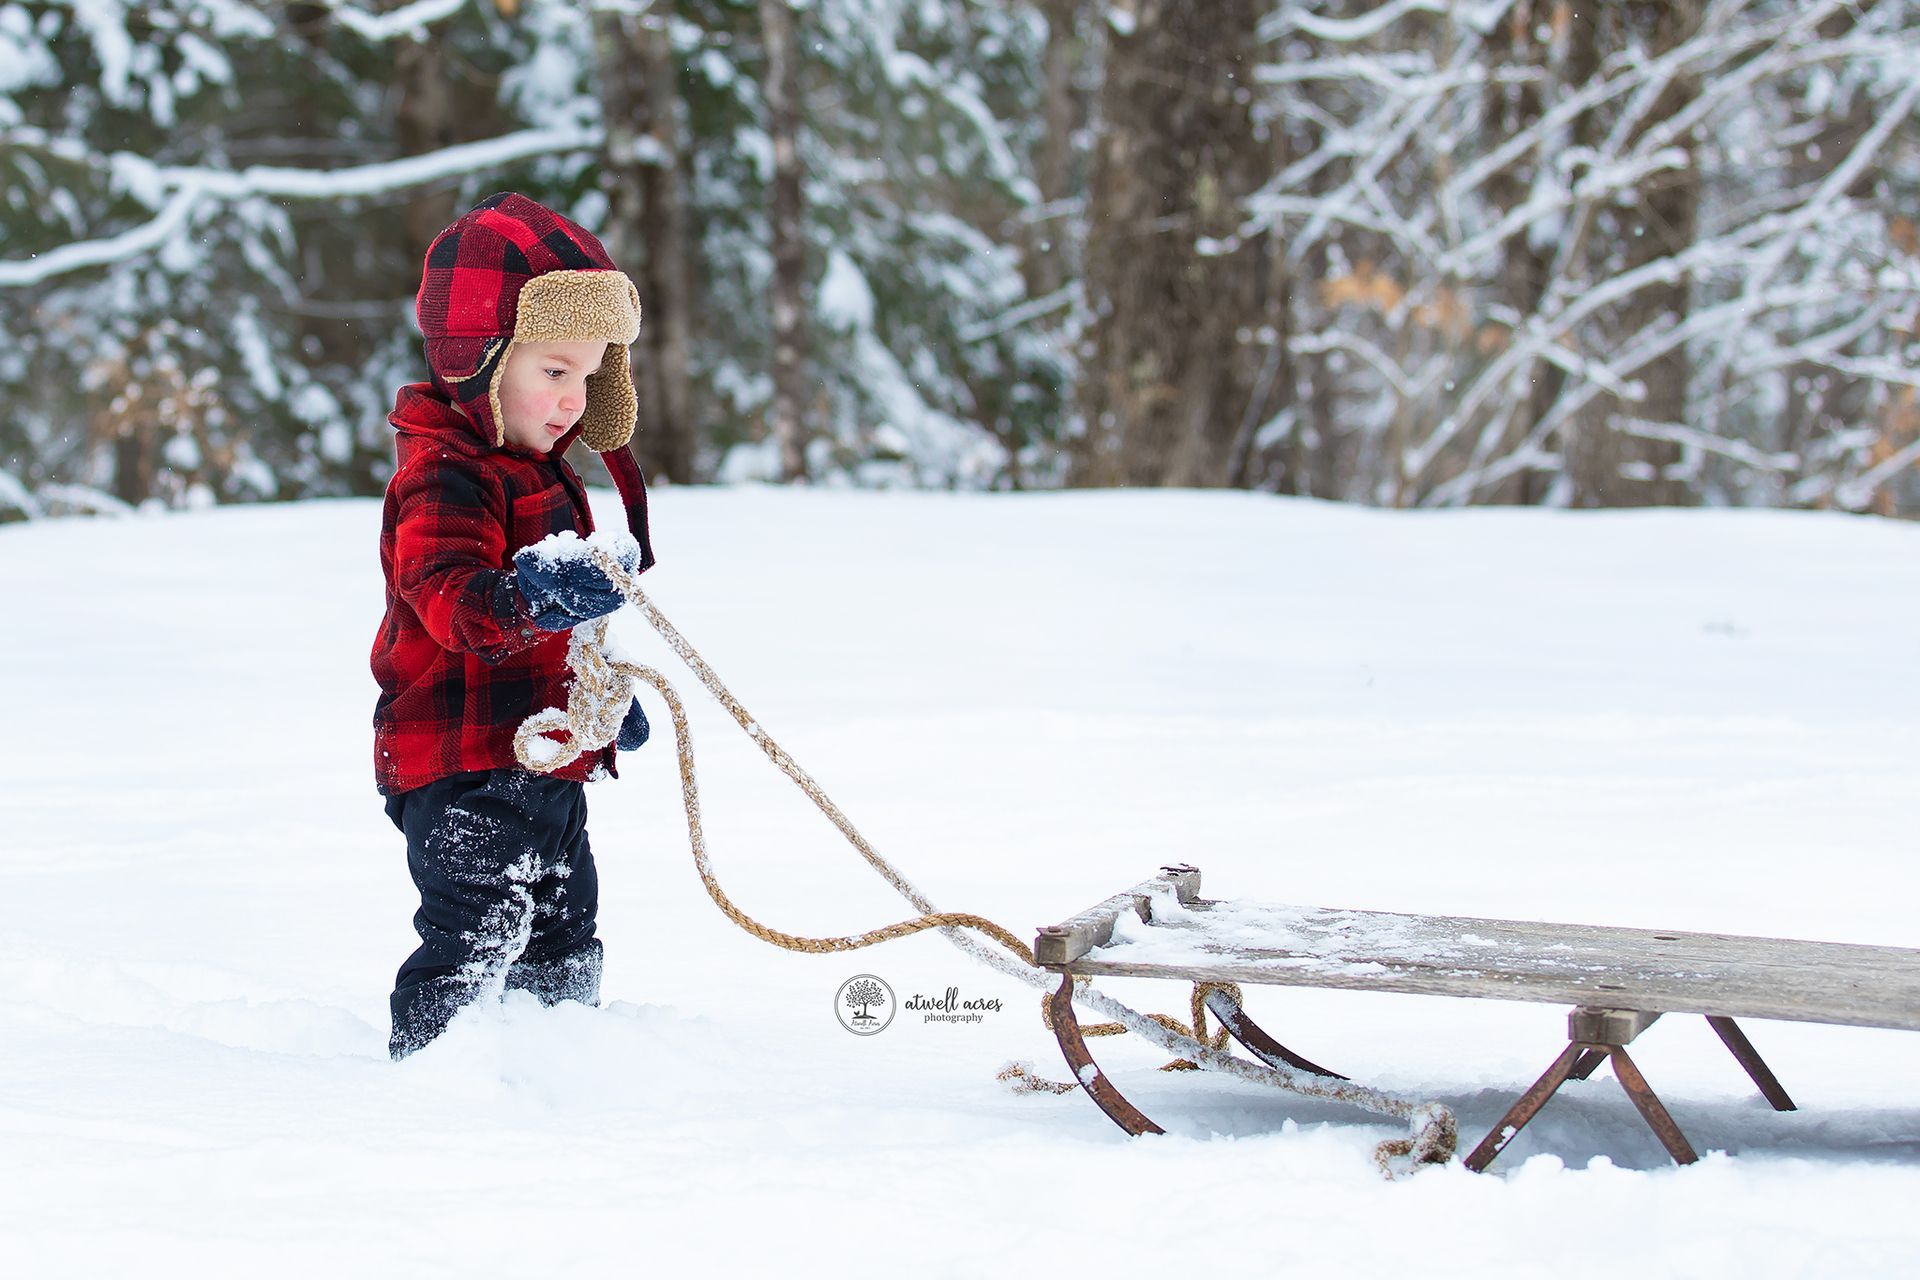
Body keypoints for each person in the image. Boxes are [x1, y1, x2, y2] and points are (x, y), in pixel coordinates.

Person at [370, 192, 659, 1059]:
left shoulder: (544, 468)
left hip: (542, 758)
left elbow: (555, 625)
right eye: (554, 370)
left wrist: (594, 697)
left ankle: (563, 1062)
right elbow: (455, 602)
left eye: (593, 374)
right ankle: (435, 1073)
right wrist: (539, 593)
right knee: (475, 930)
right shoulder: (443, 477)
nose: (574, 399)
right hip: (459, 766)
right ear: (481, 359)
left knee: (566, 922)